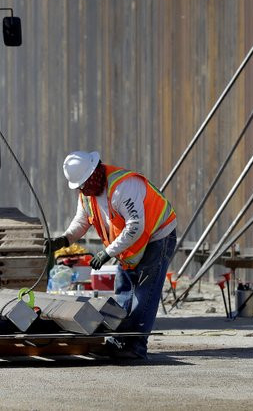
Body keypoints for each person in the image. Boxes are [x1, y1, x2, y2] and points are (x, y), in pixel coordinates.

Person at [44, 151, 177, 360]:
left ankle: (135, 347)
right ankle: (118, 341)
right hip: (129, 244)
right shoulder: (87, 194)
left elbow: (135, 226)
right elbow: (82, 222)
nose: (83, 189)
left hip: (158, 236)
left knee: (144, 294)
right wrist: (65, 239)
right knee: (124, 290)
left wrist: (108, 252)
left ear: (95, 173)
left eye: (85, 184)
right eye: (80, 187)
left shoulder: (123, 187)